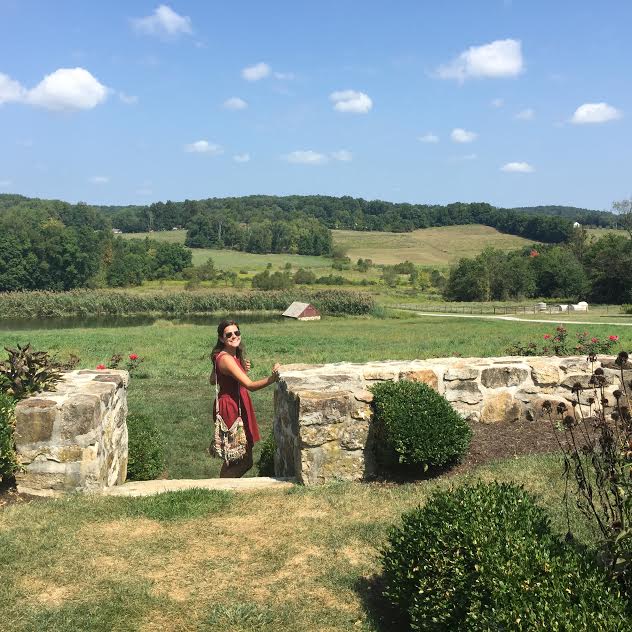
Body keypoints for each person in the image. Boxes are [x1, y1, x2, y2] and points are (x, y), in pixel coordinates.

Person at [210, 319, 280, 478]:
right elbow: (250, 385)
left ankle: (222, 485)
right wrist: (273, 378)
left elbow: (213, 379)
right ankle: (223, 486)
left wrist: (239, 370)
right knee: (241, 458)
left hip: (236, 403)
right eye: (229, 334)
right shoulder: (226, 359)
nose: (234, 336)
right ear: (221, 338)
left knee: (236, 456)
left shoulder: (227, 355)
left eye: (236, 332)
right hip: (232, 407)